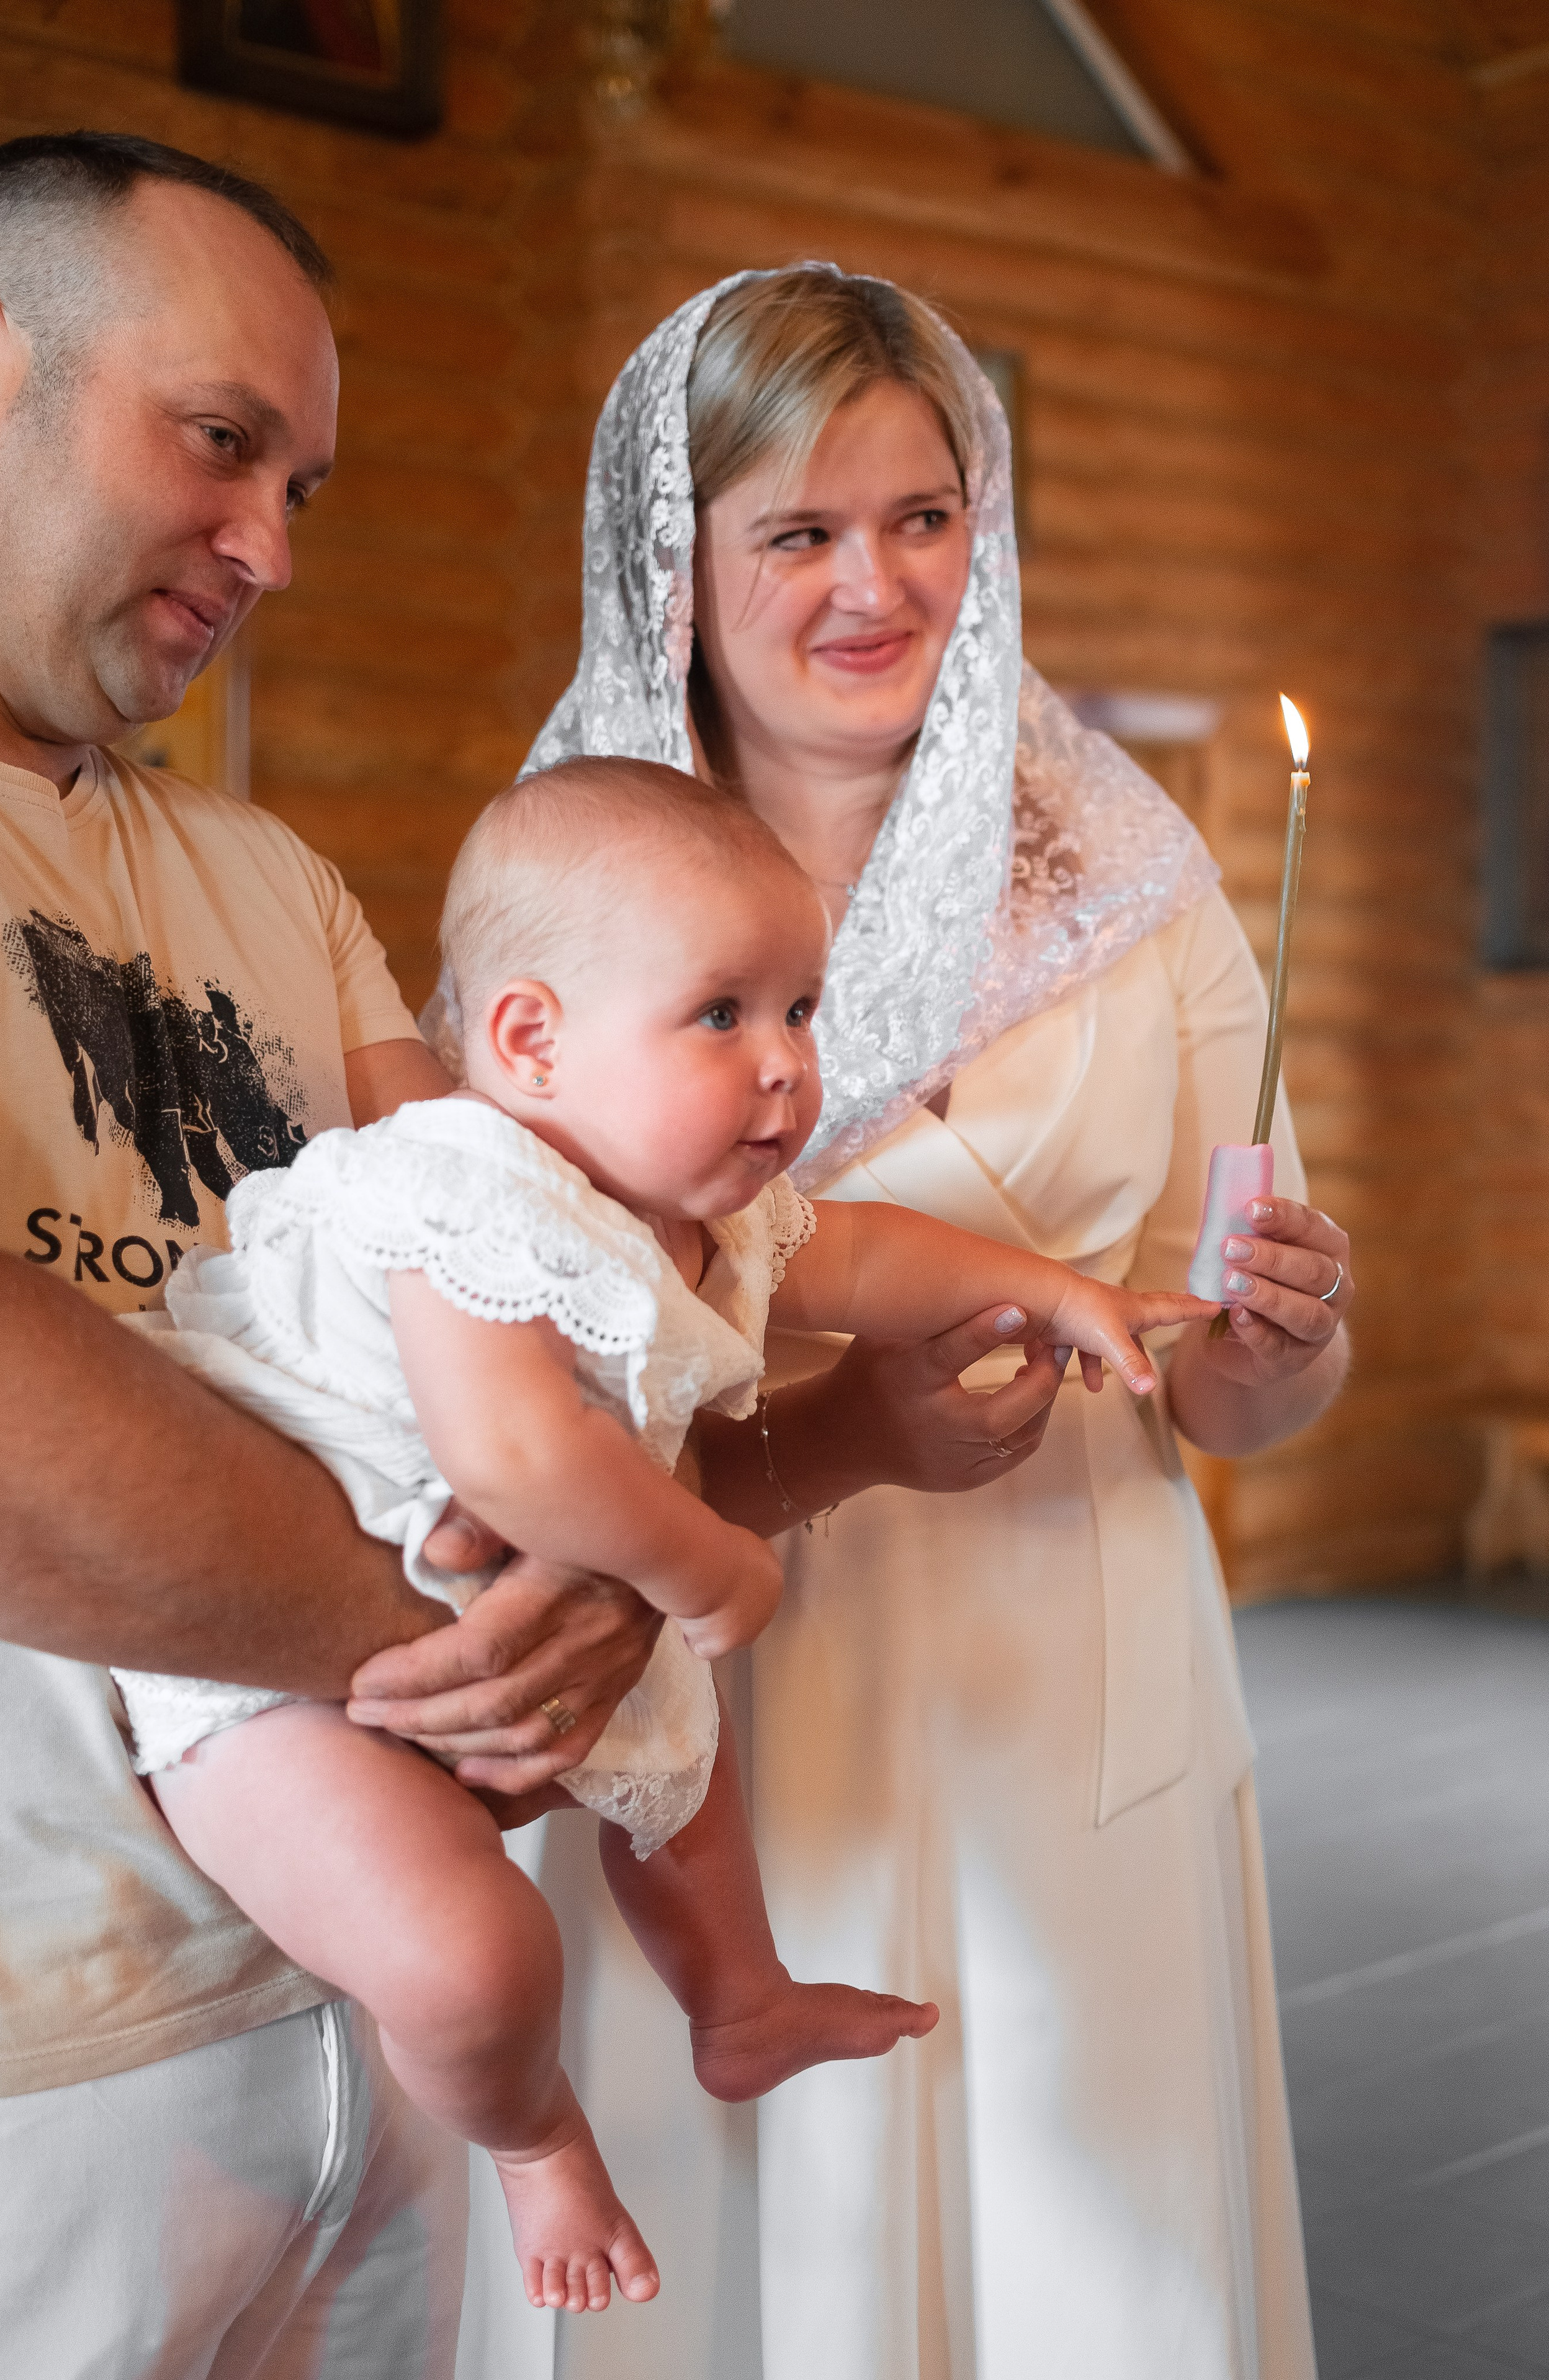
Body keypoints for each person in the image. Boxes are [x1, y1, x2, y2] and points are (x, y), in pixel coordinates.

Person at [0, 144, 1065, 2377]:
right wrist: (533, 1627)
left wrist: (820, 1437)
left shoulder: (280, 882)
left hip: (378, 2007)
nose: (268, 548)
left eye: (308, 483)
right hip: (20, 2054)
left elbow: (527, 1342)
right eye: (218, 439)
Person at [439, 266, 1355, 2379]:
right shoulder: (566, 896)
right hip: (723, 1699)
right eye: (801, 531)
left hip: (1075, 1673)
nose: (878, 582)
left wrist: (1286, 1344)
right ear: (677, 566)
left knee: (1087, 2245)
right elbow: (486, 1392)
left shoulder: (1139, 875)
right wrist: (837, 1434)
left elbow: (1235, 1371)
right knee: (749, 2259)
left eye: (925, 516)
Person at [114, 754, 1214, 2318]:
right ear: (529, 1042)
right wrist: (710, 1561)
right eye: (721, 1014)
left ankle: (739, 1997)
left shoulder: (687, 1202)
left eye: (800, 1010)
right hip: (272, 1680)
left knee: (684, 1772)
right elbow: (514, 1454)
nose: (783, 1067)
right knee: (474, 1960)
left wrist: (1046, 1290)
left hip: (469, 1609)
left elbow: (862, 1253)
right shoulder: (466, 1187)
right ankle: (534, 2138)